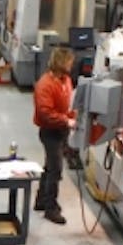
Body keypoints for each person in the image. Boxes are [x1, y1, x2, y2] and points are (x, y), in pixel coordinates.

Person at [32, 47, 77, 225]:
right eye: (69, 62)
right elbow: (45, 112)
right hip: (50, 131)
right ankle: (51, 208)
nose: (71, 65)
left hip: (62, 129)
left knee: (49, 166)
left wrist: (73, 115)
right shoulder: (45, 84)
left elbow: (69, 102)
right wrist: (66, 121)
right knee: (56, 168)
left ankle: (40, 200)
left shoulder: (65, 80)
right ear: (61, 63)